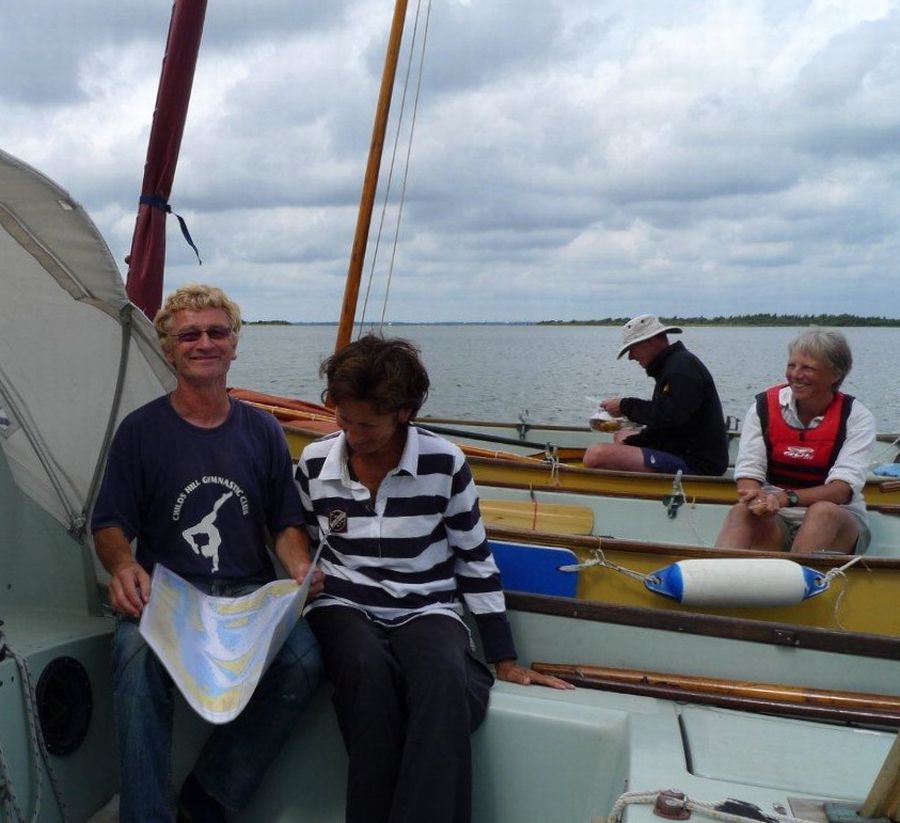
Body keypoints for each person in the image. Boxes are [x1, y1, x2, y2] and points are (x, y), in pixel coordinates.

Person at [294, 334, 573, 823]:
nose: (354, 435)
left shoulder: (445, 463)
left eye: (369, 424)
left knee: (443, 677)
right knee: (364, 668)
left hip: (426, 605)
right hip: (343, 604)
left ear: (403, 412)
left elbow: (473, 556)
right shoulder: (315, 463)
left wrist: (503, 657)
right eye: (344, 420)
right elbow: (298, 536)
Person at [91, 284, 323, 823]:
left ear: (234, 345)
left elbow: (285, 522)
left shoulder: (263, 431)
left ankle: (210, 794)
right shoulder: (139, 432)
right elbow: (109, 524)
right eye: (189, 335)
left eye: (217, 332)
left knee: (305, 660)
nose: (204, 343)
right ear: (168, 350)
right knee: (135, 656)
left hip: (247, 593)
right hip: (169, 593)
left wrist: (297, 566)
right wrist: (123, 566)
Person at [715, 329, 875, 554]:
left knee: (822, 512)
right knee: (741, 512)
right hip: (776, 515)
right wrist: (756, 498)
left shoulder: (856, 417)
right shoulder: (763, 407)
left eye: (807, 368)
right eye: (792, 365)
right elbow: (749, 472)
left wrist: (785, 498)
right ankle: (718, 572)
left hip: (838, 519)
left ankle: (797, 572)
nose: (795, 375)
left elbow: (841, 490)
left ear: (835, 375)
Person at [584, 314, 729, 476]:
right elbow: (669, 423)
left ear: (650, 341)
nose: (631, 357)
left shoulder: (680, 370)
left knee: (596, 454)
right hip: (683, 448)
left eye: (632, 349)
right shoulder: (675, 364)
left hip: (697, 463)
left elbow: (669, 416)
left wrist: (625, 406)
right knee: (621, 436)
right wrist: (635, 441)